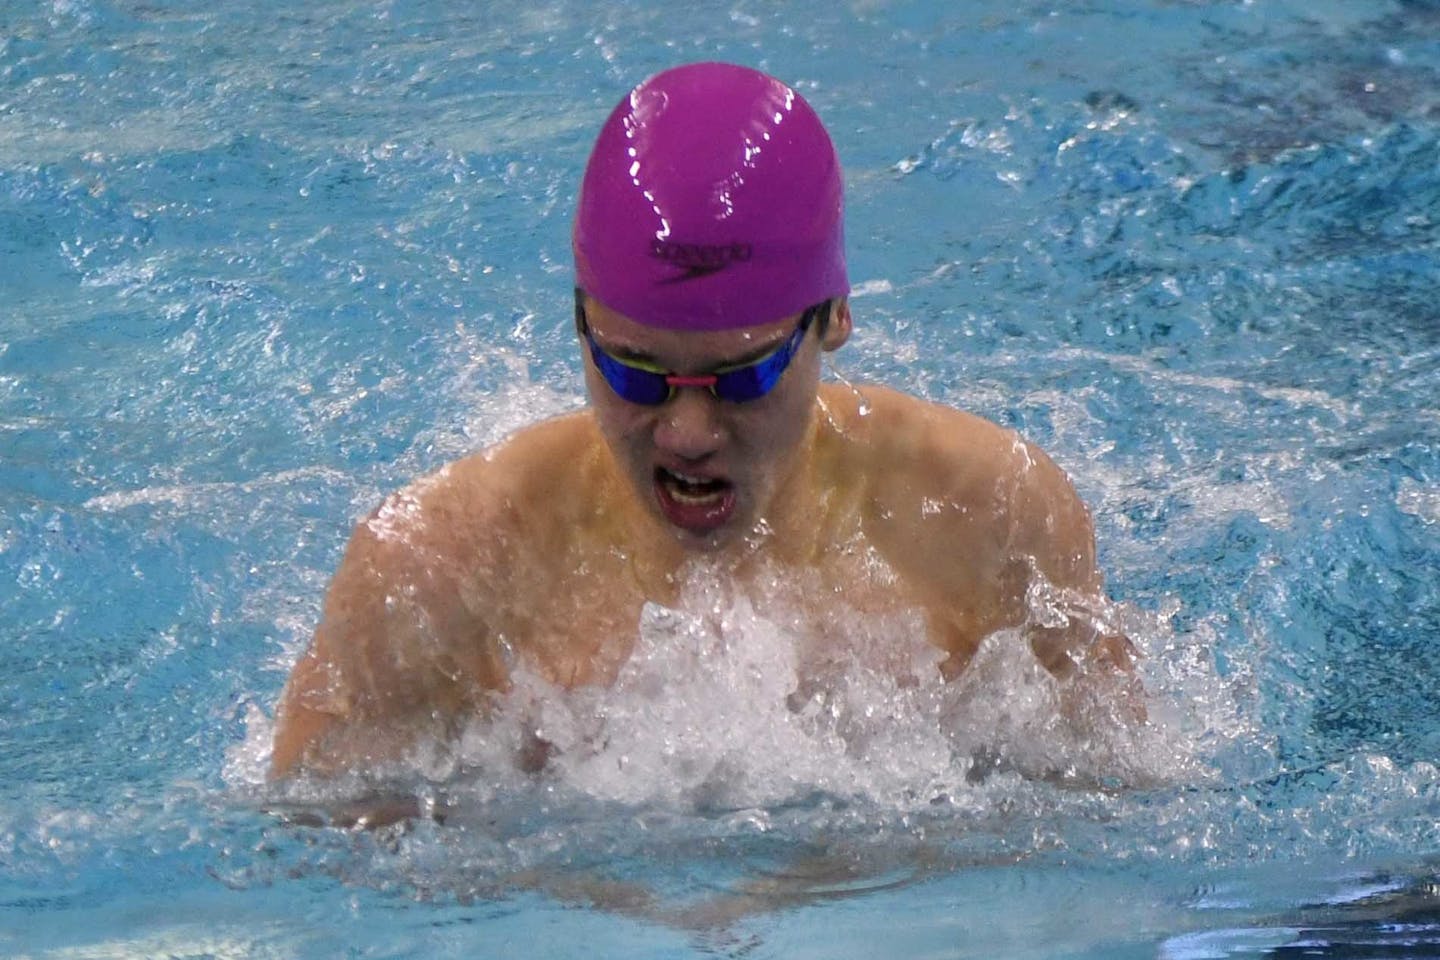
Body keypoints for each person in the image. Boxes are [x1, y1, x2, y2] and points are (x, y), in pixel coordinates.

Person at [269, 61, 1138, 782]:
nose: (686, 431)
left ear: (833, 318)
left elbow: (1125, 818)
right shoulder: (438, 568)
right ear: (577, 319)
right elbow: (317, 875)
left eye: (742, 375)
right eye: (631, 371)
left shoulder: (989, 514)